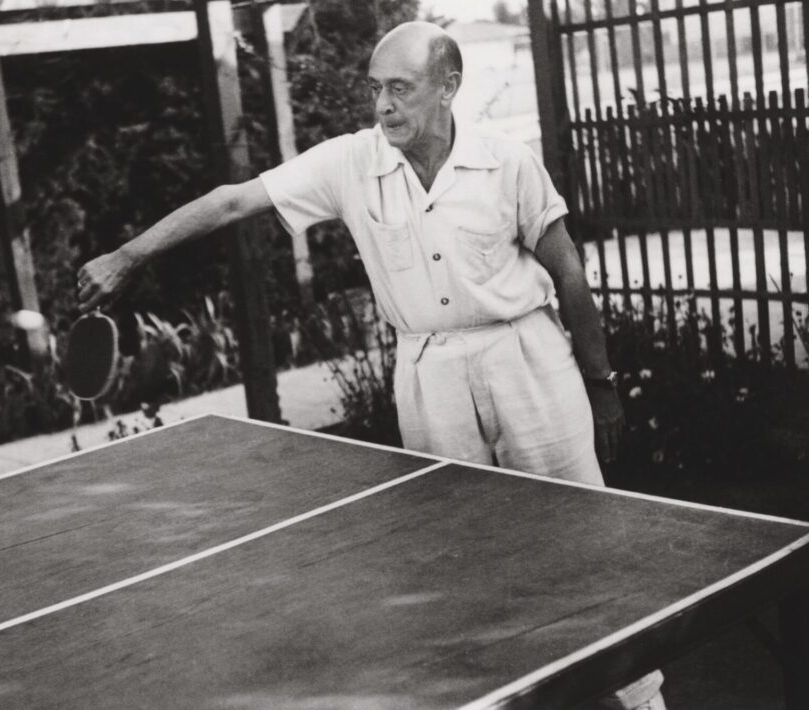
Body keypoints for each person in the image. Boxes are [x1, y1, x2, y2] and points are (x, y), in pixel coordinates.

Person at [77, 21, 664, 710]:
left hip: (527, 359)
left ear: (447, 87)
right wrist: (129, 255)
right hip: (428, 376)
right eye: (375, 89)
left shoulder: (508, 162)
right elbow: (234, 200)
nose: (383, 105)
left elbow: (569, 273)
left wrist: (601, 384)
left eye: (400, 89)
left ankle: (641, 700)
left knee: (582, 545)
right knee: (467, 563)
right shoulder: (350, 163)